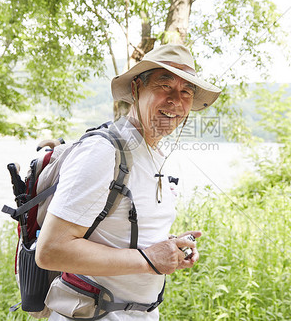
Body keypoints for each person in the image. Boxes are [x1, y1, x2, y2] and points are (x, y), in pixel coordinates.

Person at [35, 44, 221, 320]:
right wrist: (149, 260)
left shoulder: (152, 152)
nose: (175, 101)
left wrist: (169, 247)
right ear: (136, 89)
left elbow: (119, 230)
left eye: (186, 92)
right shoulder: (104, 151)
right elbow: (50, 250)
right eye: (165, 85)